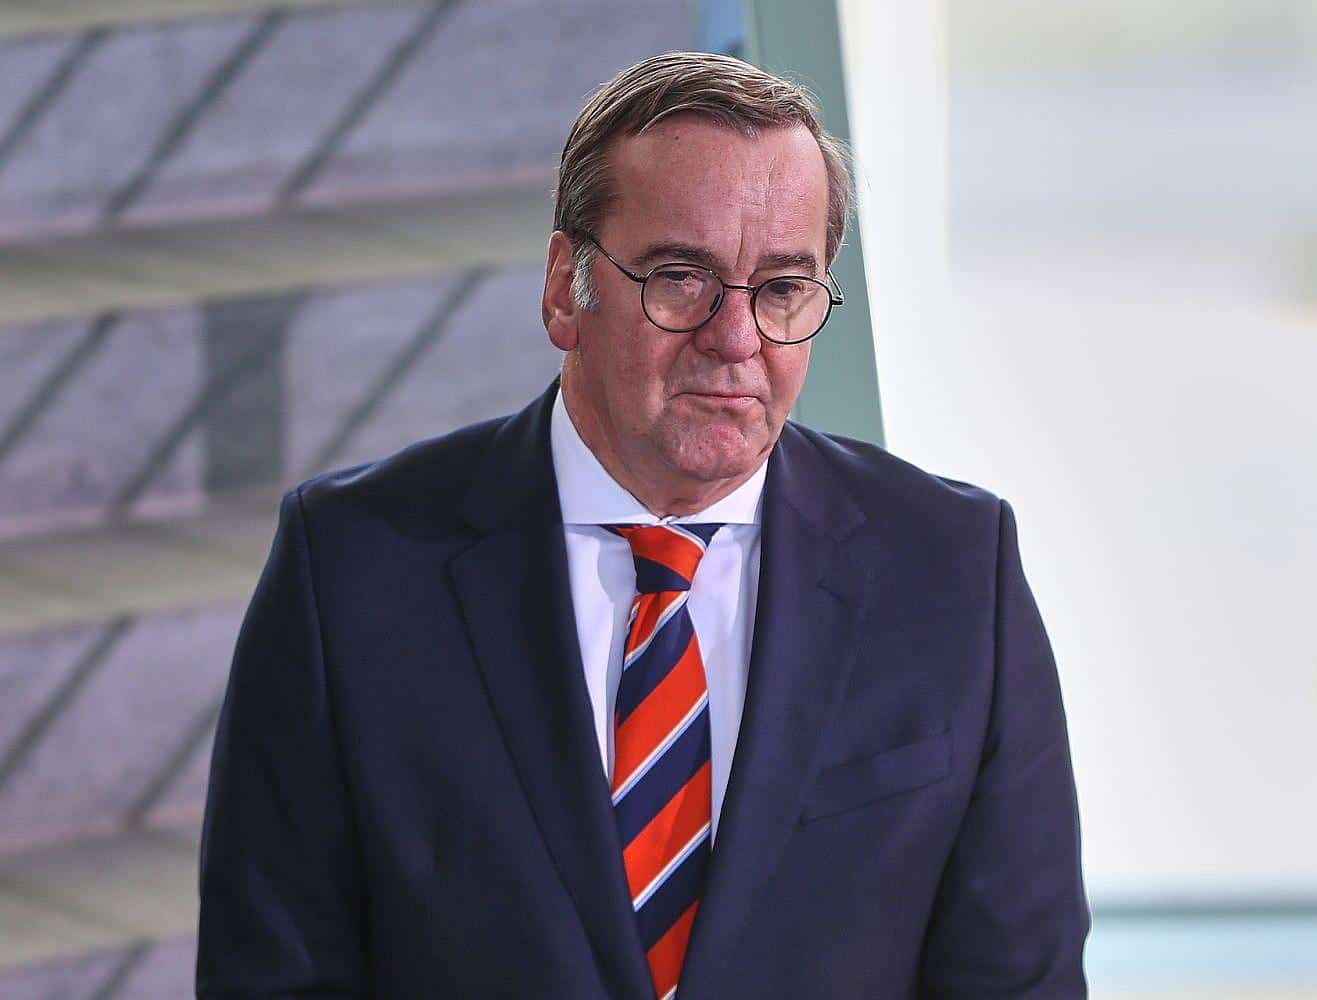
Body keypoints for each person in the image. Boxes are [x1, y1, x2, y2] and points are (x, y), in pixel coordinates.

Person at [196, 51, 1088, 999]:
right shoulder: (352, 568)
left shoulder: (954, 571)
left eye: (783, 288)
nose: (735, 339)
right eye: (680, 277)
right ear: (563, 289)